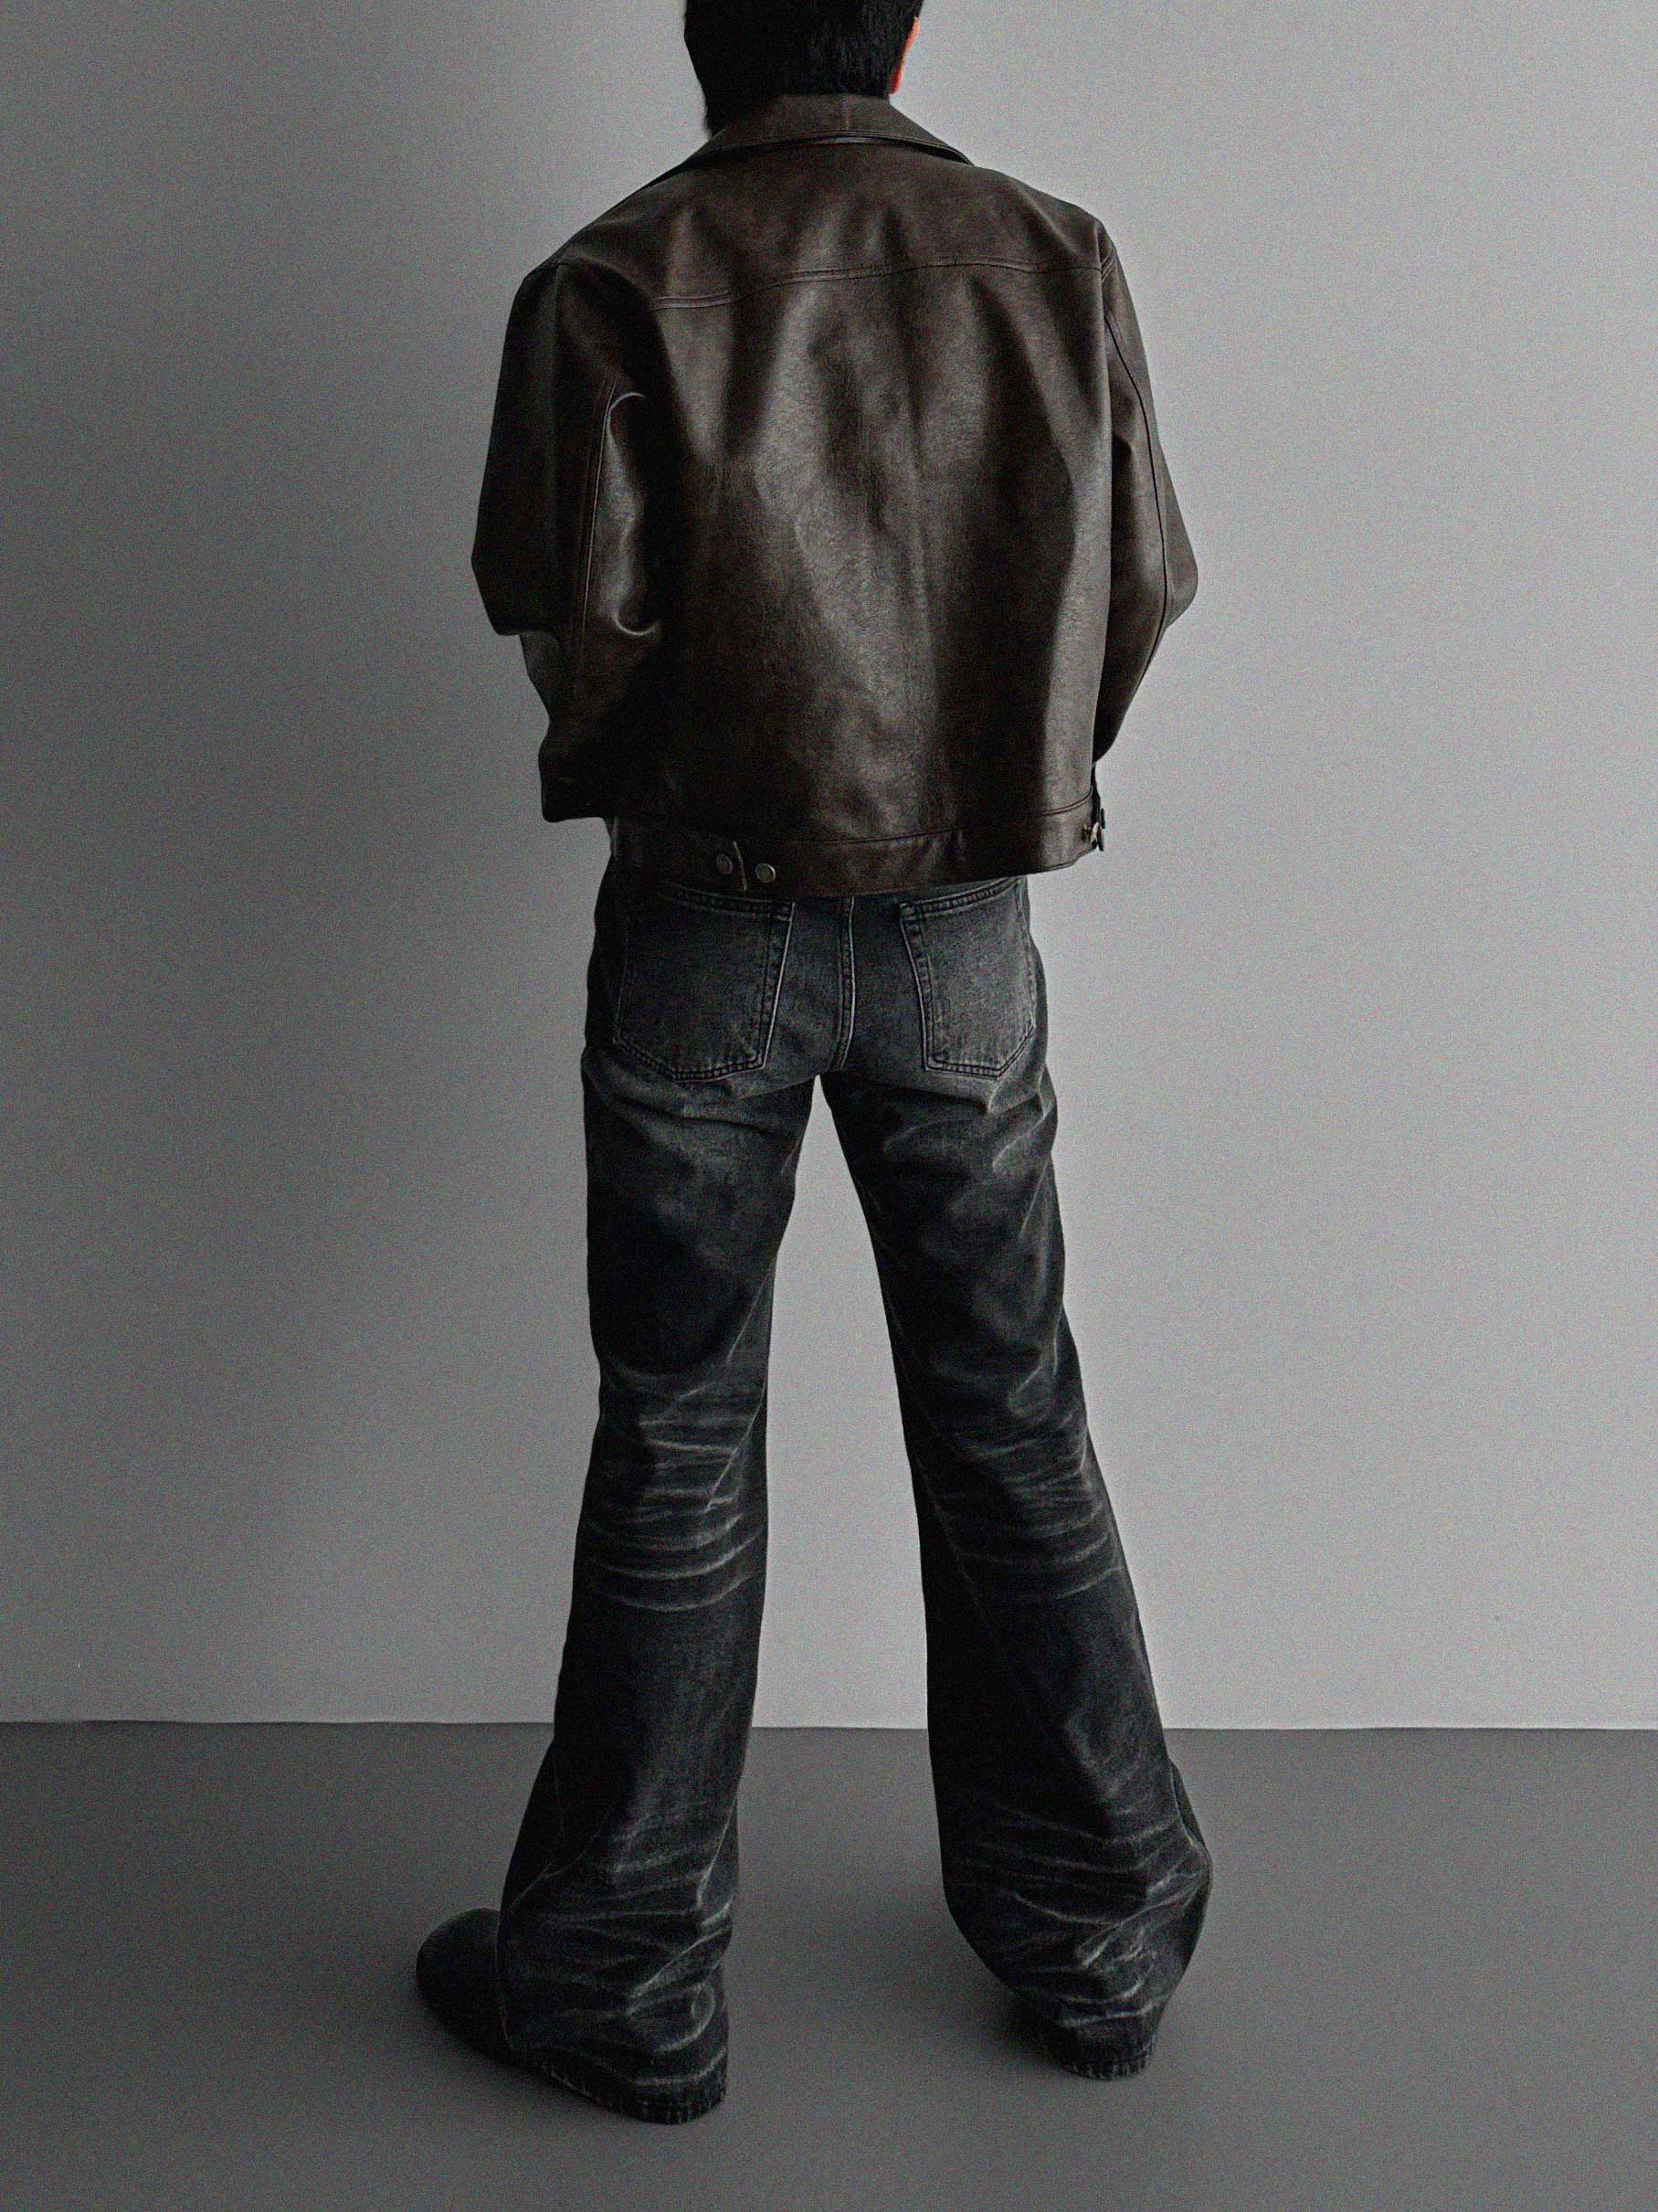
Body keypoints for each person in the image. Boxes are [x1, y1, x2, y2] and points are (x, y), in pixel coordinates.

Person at [417, 0, 1212, 2124]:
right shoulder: (1052, 252)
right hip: (962, 919)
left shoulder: (615, 273)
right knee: (1008, 1411)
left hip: (708, 910)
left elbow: (565, 610)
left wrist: (670, 769)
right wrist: (990, 781)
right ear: (906, 29)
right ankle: (1098, 1935)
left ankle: (622, 1980)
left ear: (705, 25)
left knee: (677, 1432)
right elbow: (1140, 579)